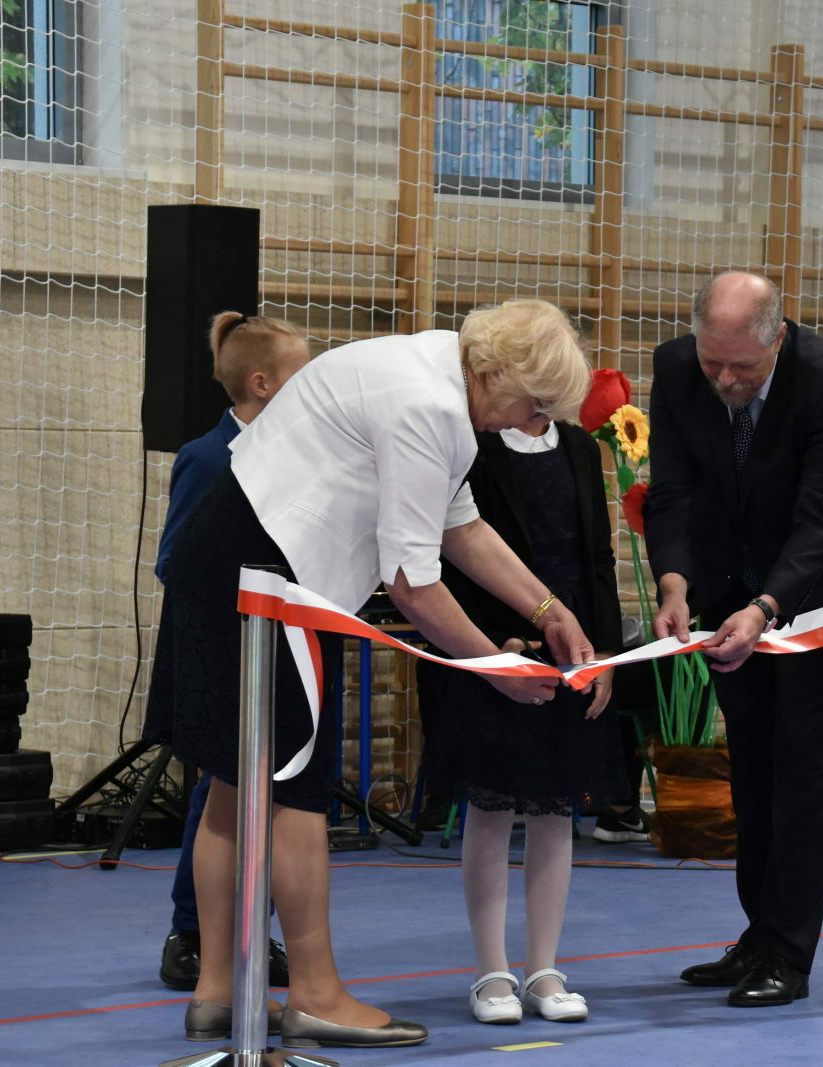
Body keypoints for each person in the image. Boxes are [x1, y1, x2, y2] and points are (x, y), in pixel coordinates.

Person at [142, 298, 594, 1049]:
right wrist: (495, 667)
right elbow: (412, 582)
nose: (533, 422)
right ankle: (315, 993)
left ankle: (218, 987)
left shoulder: (433, 368)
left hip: (226, 560)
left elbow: (460, 525)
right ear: (499, 375)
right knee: (295, 791)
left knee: (234, 785)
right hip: (267, 577)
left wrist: (548, 608)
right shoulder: (430, 406)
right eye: (535, 404)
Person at [643, 271, 823, 1008]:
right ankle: (757, 935)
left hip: (816, 595)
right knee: (749, 767)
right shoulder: (674, 368)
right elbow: (672, 490)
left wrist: (768, 606)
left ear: (777, 338)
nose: (724, 379)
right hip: (726, 593)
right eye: (711, 362)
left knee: (798, 769)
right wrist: (674, 584)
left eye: (742, 367)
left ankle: (789, 951)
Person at [418, 415, 622, 1026]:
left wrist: (607, 654)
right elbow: (455, 551)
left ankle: (544, 968)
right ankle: (491, 970)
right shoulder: (474, 443)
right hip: (496, 650)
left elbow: (598, 556)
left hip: (572, 647)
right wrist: (492, 646)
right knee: (490, 809)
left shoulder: (580, 447)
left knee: (555, 811)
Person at [156, 312, 308, 994]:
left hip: (280, 649)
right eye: (301, 374)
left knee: (272, 794)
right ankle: (191, 933)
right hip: (223, 651)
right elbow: (176, 560)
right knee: (219, 792)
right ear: (262, 384)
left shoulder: (300, 458)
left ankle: (249, 928)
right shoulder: (207, 456)